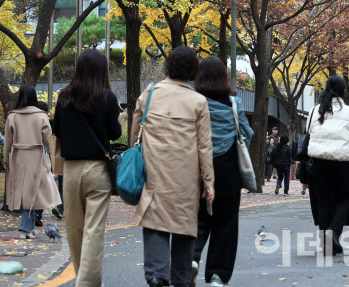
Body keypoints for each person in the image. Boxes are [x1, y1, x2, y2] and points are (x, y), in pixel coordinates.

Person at [131, 46, 215, 287]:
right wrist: (208, 182)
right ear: (193, 70)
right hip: (186, 178)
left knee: (155, 223)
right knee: (185, 227)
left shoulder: (150, 93)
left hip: (154, 172)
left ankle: (157, 274)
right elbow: (204, 146)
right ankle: (180, 278)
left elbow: (135, 131)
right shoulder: (198, 101)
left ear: (167, 66)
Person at [52, 50, 122, 285]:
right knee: (94, 231)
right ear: (102, 70)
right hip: (98, 170)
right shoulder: (108, 98)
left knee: (75, 230)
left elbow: (57, 131)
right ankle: (88, 282)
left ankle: (85, 279)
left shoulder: (63, 97)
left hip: (70, 171)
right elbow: (115, 134)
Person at [191, 56, 253, 287]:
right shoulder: (234, 103)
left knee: (198, 218)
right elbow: (247, 134)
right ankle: (218, 275)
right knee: (226, 224)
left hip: (196, 170)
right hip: (228, 171)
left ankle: (192, 259)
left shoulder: (193, 102)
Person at [307, 75, 349, 254]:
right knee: (344, 199)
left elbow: (309, 130)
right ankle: (334, 232)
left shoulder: (315, 110)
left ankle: (326, 241)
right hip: (339, 162)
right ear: (344, 91)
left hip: (318, 162)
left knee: (323, 201)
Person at [5, 86, 60, 239]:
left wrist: (6, 161)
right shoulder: (41, 116)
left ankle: (29, 228)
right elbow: (46, 138)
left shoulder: (12, 116)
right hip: (37, 156)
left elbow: (8, 142)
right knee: (35, 191)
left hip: (18, 157)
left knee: (27, 193)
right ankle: (24, 228)